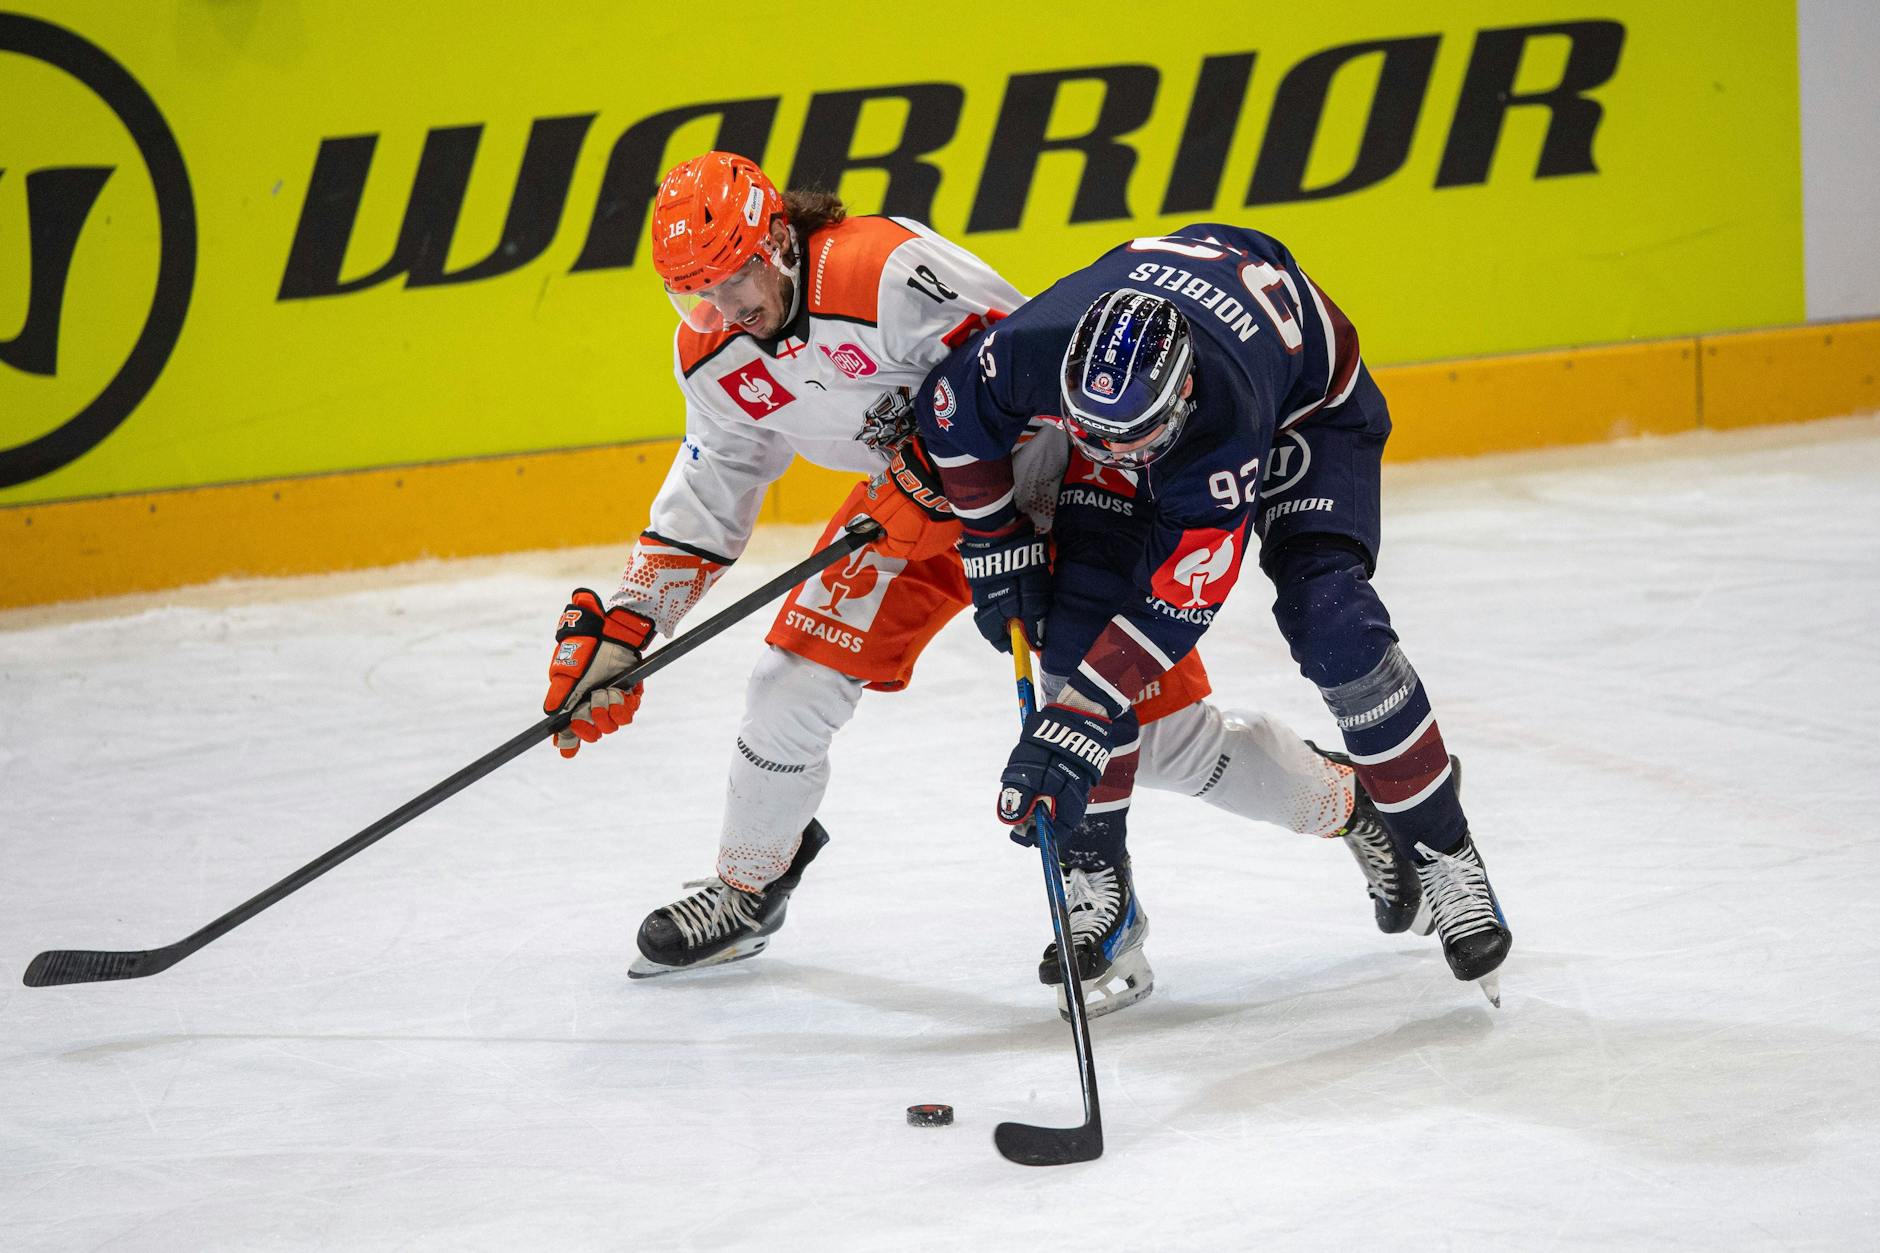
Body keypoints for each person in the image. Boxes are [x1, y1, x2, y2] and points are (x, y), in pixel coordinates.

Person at [540, 154, 1424, 1012]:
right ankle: (748, 887)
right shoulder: (709, 352)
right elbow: (713, 486)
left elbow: (1035, 363)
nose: (717, 309)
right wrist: (627, 626)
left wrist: (959, 474)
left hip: (1054, 492)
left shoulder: (885, 271)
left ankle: (1355, 803)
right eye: (691, 293)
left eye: (730, 281)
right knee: (786, 688)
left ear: (775, 241)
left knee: (1160, 746)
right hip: (907, 516)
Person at [915, 226, 1513, 1003]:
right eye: (1092, 433)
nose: (1112, 453)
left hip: (1305, 406)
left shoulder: (1221, 420)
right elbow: (953, 407)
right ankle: (1104, 884)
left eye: (1132, 438)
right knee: (1080, 621)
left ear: (1181, 394)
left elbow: (1176, 600)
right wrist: (998, 542)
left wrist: (1081, 714)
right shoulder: (1044, 344)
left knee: (1329, 616)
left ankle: (1442, 846)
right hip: (1185, 372)